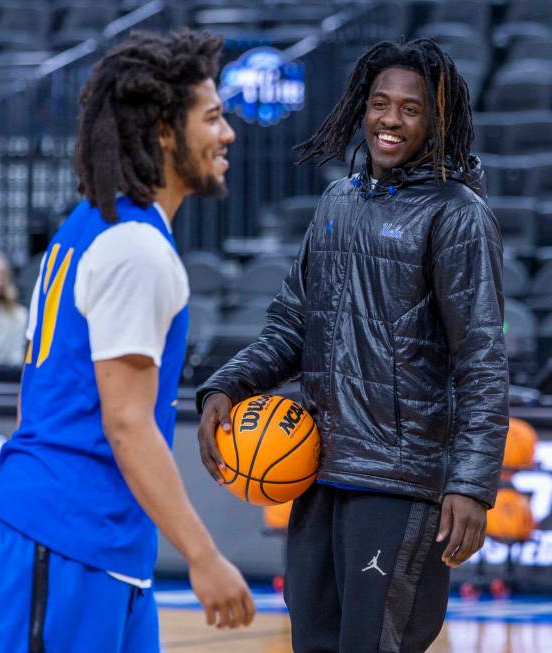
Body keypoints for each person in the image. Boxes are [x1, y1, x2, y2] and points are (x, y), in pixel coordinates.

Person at [197, 38, 509, 652]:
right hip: (319, 472)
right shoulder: (338, 201)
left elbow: (482, 361)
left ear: (438, 120)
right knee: (312, 644)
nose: (390, 120)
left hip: (401, 480)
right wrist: (227, 385)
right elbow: (292, 322)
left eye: (411, 108)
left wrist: (471, 485)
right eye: (379, 103)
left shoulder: (459, 215)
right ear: (360, 108)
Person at [0, 30, 254, 653]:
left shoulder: (92, 226)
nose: (227, 133)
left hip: (94, 545)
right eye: (211, 118)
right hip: (65, 540)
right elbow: (127, 424)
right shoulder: (135, 249)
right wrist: (204, 556)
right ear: (162, 129)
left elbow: (36, 396)